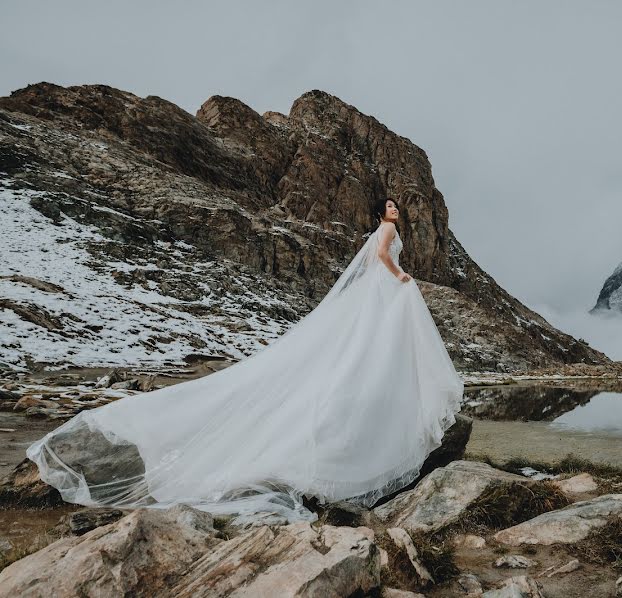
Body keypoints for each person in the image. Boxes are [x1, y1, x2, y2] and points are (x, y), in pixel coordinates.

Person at [25, 197, 464, 523]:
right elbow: (383, 257)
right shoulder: (384, 234)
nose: (392, 211)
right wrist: (401, 275)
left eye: (394, 208)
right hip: (385, 289)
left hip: (377, 294)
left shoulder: (380, 232)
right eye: (387, 207)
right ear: (381, 214)